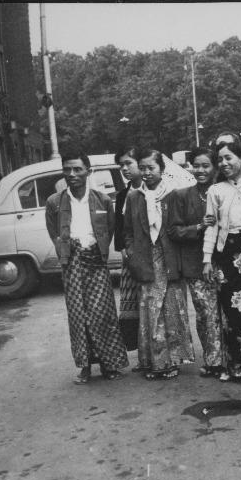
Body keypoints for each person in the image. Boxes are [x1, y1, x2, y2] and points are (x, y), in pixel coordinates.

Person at [45, 151, 129, 384]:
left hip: (95, 260)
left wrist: (97, 248)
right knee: (78, 315)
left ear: (88, 172)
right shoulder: (55, 201)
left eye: (77, 170)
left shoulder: (101, 199)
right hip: (72, 262)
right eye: (67, 170)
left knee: (102, 314)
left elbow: (110, 228)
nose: (72, 175)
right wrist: (67, 250)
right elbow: (53, 232)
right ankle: (84, 367)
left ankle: (108, 364)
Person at [123, 148, 195, 379]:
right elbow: (127, 232)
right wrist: (133, 254)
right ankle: (155, 361)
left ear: (162, 170)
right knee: (151, 311)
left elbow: (181, 227)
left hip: (170, 258)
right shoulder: (134, 197)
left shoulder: (174, 194)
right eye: (142, 168)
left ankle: (173, 359)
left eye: (151, 168)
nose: (146, 173)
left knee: (172, 308)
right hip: (146, 259)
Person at [167, 147, 229, 379]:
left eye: (206, 165)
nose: (201, 170)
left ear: (214, 167)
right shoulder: (181, 196)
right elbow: (173, 230)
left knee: (228, 312)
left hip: (225, 262)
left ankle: (232, 359)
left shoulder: (225, 191)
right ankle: (213, 361)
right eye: (196, 165)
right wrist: (199, 227)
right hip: (196, 265)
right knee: (206, 313)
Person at [203, 141, 241, 380]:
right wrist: (207, 259)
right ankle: (234, 363)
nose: (224, 163)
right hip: (226, 254)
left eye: (229, 158)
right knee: (230, 310)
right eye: (220, 159)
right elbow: (211, 227)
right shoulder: (215, 190)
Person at [113, 147, 142, 352]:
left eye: (128, 163)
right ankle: (140, 351)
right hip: (130, 257)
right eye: (121, 165)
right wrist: (122, 248)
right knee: (132, 304)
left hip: (151, 255)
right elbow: (119, 225)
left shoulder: (155, 191)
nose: (124, 168)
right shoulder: (123, 194)